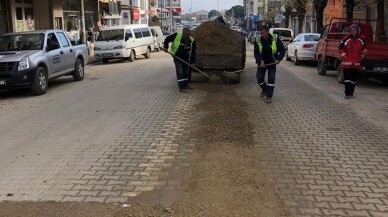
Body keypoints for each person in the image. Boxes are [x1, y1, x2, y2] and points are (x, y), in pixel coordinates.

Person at [254, 25, 285, 103]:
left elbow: (282, 50)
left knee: (271, 79)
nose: (262, 35)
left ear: (267, 32)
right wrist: (260, 60)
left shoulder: (275, 38)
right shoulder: (258, 40)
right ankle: (264, 89)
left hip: (272, 62)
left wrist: (278, 59)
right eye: (261, 33)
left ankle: (268, 96)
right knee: (259, 78)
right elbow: (256, 53)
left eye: (263, 33)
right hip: (262, 63)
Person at [338, 24, 367, 99]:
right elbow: (340, 48)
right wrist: (344, 56)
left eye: (354, 30)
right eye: (352, 30)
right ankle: (347, 93)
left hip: (356, 63)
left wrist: (363, 54)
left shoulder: (361, 40)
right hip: (347, 63)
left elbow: (364, 49)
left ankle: (351, 93)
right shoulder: (346, 39)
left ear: (357, 31)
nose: (353, 32)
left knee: (353, 79)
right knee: (347, 78)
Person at [163, 28, 196, 92]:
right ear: (183, 33)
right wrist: (165, 47)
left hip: (186, 59)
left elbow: (193, 53)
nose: (187, 36)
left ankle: (186, 85)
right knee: (180, 71)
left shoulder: (192, 41)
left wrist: (192, 62)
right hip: (177, 57)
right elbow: (167, 39)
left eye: (189, 35)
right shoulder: (177, 36)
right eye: (186, 35)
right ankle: (181, 87)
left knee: (186, 72)